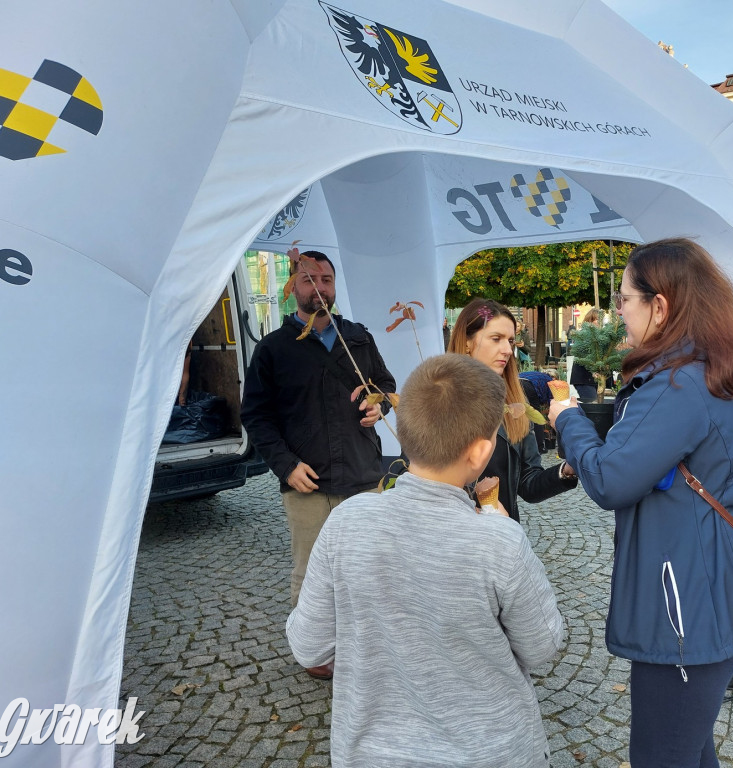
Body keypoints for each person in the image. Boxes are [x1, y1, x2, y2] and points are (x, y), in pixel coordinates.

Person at [548, 238, 733, 768]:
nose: (619, 314)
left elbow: (610, 479)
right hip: (723, 589)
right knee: (690, 748)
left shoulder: (680, 382)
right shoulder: (718, 365)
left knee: (662, 756)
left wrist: (568, 420)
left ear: (661, 305)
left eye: (624, 300)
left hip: (688, 606)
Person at [286, 354, 564, 767]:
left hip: (375, 754)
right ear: (481, 451)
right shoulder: (499, 541)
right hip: (492, 751)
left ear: (403, 430)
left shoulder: (347, 522)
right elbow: (542, 645)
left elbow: (309, 646)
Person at [241, 249, 396, 679]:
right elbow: (256, 415)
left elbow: (384, 383)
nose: (320, 288)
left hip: (364, 474)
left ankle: (366, 643)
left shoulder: (357, 337)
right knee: (311, 570)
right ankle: (315, 650)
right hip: (308, 481)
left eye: (326, 279)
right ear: (293, 288)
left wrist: (377, 404)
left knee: (368, 566)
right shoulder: (274, 349)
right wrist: (286, 465)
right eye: (309, 280)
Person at [447, 298, 577, 522]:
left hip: (501, 537)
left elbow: (529, 482)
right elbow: (411, 474)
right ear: (467, 342)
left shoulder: (515, 405)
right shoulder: (439, 398)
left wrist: (567, 470)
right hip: (451, 538)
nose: (508, 350)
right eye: (496, 339)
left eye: (510, 340)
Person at [569, 308, 601, 402]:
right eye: (596, 319)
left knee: (594, 403)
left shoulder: (598, 335)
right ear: (590, 320)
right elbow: (583, 356)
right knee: (591, 404)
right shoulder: (584, 334)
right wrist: (593, 370)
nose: (598, 322)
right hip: (583, 378)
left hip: (592, 379)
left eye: (600, 319)